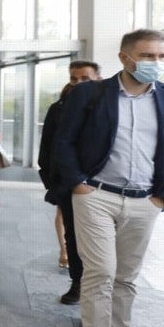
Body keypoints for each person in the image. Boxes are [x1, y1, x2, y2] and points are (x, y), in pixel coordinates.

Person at [55, 29, 164, 327]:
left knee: (126, 278)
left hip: (145, 200)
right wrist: (78, 185)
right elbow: (64, 141)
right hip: (96, 195)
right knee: (101, 271)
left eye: (162, 56)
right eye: (148, 56)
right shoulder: (89, 94)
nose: (156, 64)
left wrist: (161, 199)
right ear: (125, 57)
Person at [37, 60, 101, 304]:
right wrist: (52, 181)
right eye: (74, 79)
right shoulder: (59, 108)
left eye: (85, 78)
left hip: (100, 184)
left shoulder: (108, 106)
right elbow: (48, 146)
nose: (78, 83)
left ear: (98, 77)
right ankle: (78, 282)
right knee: (73, 236)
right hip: (68, 185)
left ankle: (100, 287)